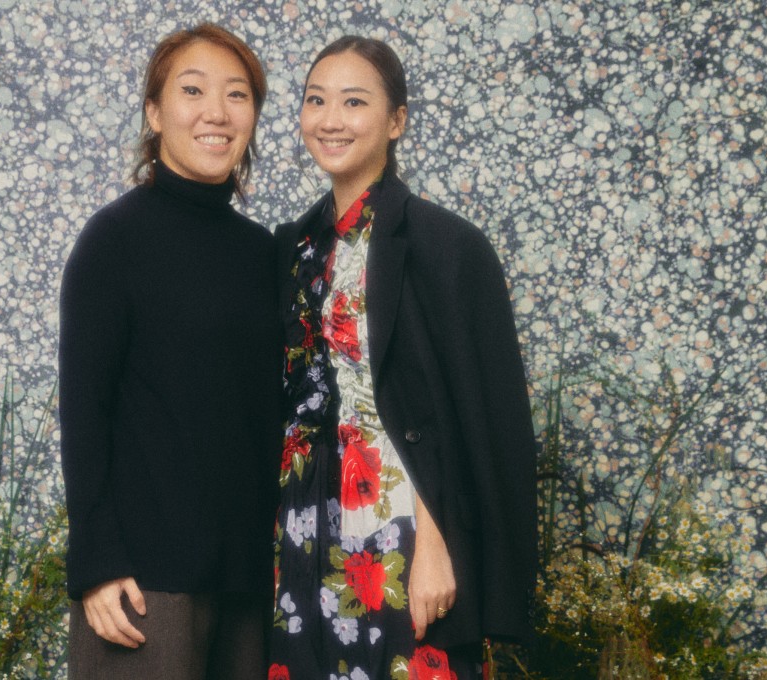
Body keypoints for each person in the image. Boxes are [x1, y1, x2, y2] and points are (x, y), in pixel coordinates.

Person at [268, 36, 537, 680]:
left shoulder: (445, 247)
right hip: (300, 521)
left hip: (399, 519)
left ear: (396, 121)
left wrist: (439, 545)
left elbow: (476, 413)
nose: (330, 119)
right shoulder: (293, 248)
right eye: (316, 100)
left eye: (354, 102)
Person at [58, 23, 282, 680]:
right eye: (193, 90)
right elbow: (84, 409)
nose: (216, 112)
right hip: (141, 586)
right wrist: (96, 564)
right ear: (155, 113)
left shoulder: (264, 253)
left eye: (236, 95)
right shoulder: (113, 242)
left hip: (246, 580)